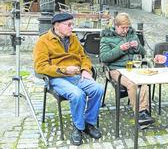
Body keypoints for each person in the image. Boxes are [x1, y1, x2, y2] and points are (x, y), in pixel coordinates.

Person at [33, 13, 104, 146]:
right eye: (69, 25)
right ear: (57, 25)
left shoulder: (74, 39)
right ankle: (78, 127)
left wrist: (85, 70)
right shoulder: (43, 41)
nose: (72, 27)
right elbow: (40, 67)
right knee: (77, 95)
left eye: (72, 24)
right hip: (57, 78)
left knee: (98, 89)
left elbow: (84, 57)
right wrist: (64, 70)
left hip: (76, 75)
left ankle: (89, 123)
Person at [99, 12, 154, 127]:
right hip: (115, 70)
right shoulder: (106, 37)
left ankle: (143, 112)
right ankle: (140, 115)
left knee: (143, 82)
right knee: (132, 84)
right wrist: (120, 49)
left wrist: (137, 47)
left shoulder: (132, 35)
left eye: (127, 27)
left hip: (131, 68)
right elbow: (104, 58)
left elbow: (143, 53)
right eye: (123, 28)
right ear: (116, 26)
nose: (125, 30)